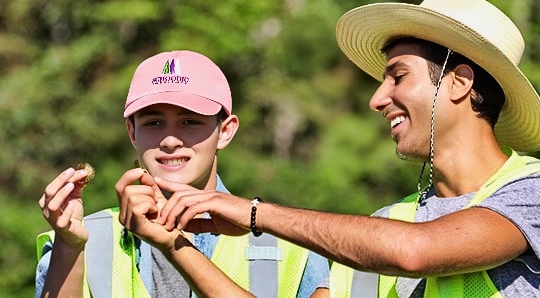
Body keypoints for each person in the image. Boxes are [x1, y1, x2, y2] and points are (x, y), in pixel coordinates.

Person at [152, 0, 540, 297]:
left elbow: (415, 252)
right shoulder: (388, 223)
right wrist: (175, 245)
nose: (377, 98)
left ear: (460, 82)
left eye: (398, 76)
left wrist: (257, 214)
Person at [36, 50, 330, 298]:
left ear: (225, 131)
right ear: (132, 132)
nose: (170, 139)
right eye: (153, 123)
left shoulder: (292, 240)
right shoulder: (79, 237)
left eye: (190, 121)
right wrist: (69, 246)